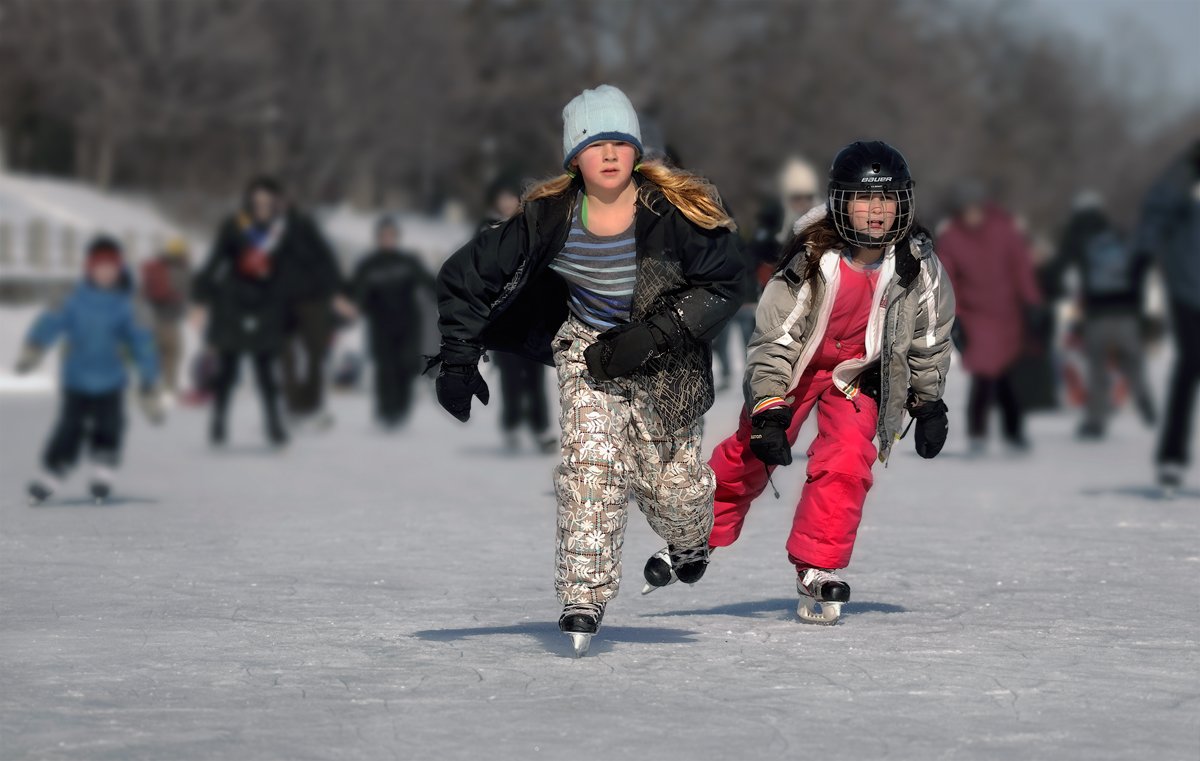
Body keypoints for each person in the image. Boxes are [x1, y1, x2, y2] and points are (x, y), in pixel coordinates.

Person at [430, 85, 743, 654]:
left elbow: (726, 282)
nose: (608, 153)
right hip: (587, 353)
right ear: (574, 157)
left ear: (636, 152)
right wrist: (456, 358)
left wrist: (655, 334)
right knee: (591, 469)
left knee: (673, 488)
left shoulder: (669, 215)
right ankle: (584, 596)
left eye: (620, 141)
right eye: (594, 143)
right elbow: (464, 277)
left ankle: (690, 540)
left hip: (665, 358)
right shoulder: (548, 218)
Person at [644, 142, 955, 625]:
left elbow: (930, 336)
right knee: (752, 449)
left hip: (856, 376)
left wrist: (928, 402)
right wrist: (769, 406)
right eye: (864, 198)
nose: (877, 211)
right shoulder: (812, 261)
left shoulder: (918, 268)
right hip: (797, 368)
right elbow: (774, 339)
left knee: (849, 458)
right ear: (840, 203)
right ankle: (694, 532)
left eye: (888, 198)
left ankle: (818, 566)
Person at [15, 236, 162, 504]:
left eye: (111, 267)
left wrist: (149, 382)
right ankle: (53, 471)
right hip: (77, 378)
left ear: (119, 268)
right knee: (70, 426)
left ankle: (104, 468)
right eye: (99, 266)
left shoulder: (129, 303)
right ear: (89, 268)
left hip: (112, 378)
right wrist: (33, 348)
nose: (105, 272)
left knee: (111, 423)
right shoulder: (72, 298)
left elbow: (143, 343)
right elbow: (49, 322)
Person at [936, 183, 1041, 453]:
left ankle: (1014, 430)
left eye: (975, 209)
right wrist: (954, 315)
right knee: (984, 374)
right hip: (976, 315)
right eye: (966, 210)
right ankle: (977, 432)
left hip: (1007, 313)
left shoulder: (1003, 230)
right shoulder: (951, 239)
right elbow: (948, 279)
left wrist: (1032, 302)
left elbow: (1021, 267)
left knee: (1007, 374)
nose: (972, 215)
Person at [191, 176, 292, 447]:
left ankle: (274, 424)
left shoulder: (282, 230)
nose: (261, 204)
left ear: (275, 201)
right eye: (256, 198)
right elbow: (215, 261)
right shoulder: (235, 225)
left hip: (267, 302)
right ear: (249, 199)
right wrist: (201, 299)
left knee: (266, 370)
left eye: (266, 199)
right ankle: (219, 422)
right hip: (233, 301)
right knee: (227, 369)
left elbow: (294, 269)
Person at [1058, 191, 1154, 439]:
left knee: (1097, 369)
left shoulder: (1078, 236)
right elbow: (1140, 266)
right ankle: (1145, 402)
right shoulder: (1118, 235)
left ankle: (1095, 422)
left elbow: (1061, 269)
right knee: (1132, 361)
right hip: (1126, 314)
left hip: (1096, 315)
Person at [1136, 140, 1200, 496]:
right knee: (1190, 364)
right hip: (1189, 288)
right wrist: (1143, 255)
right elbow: (1156, 214)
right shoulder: (1184, 175)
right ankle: (1172, 457)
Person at [480, 175, 557, 452]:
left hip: (533, 317)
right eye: (502, 198)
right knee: (510, 376)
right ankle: (511, 425)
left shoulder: (536, 230)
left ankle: (540, 428)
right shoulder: (487, 232)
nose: (507, 203)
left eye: (511, 197)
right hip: (503, 318)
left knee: (534, 375)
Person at [349, 215, 435, 428]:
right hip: (380, 323)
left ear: (396, 238)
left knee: (406, 365)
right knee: (385, 367)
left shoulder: (408, 261)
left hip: (407, 322)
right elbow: (354, 292)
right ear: (378, 238)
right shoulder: (368, 265)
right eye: (383, 236)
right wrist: (352, 306)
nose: (387, 239)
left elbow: (429, 283)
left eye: (391, 235)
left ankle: (402, 409)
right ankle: (386, 410)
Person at [139, 236, 192, 399]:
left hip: (151, 317)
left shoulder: (156, 267)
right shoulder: (180, 270)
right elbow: (187, 292)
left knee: (156, 352)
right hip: (168, 318)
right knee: (173, 352)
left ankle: (150, 385)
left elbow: (142, 292)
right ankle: (168, 387)